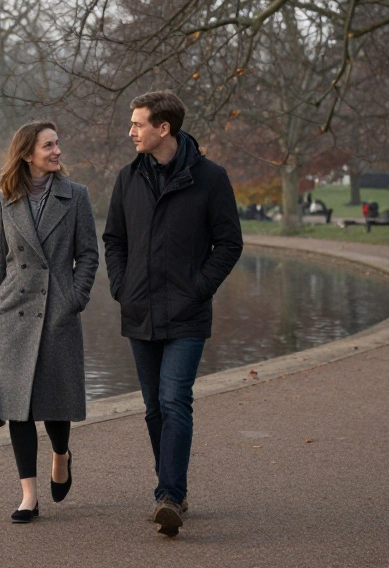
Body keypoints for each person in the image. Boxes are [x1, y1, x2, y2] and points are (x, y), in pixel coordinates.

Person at [102, 91, 243, 537]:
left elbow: (230, 244)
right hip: (140, 310)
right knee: (152, 408)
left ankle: (168, 496)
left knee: (174, 398)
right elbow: (114, 240)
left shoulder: (210, 178)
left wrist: (198, 289)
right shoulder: (127, 179)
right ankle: (174, 493)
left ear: (164, 128)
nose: (131, 131)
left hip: (187, 314)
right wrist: (122, 287)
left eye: (138, 124)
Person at [0, 121, 99, 524]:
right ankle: (28, 495)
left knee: (56, 405)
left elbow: (88, 256)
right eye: (49, 145)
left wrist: (74, 299)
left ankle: (61, 455)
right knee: (18, 409)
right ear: (28, 153)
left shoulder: (75, 196)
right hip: (14, 315)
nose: (57, 150)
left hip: (58, 313)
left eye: (57, 143)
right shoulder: (5, 198)